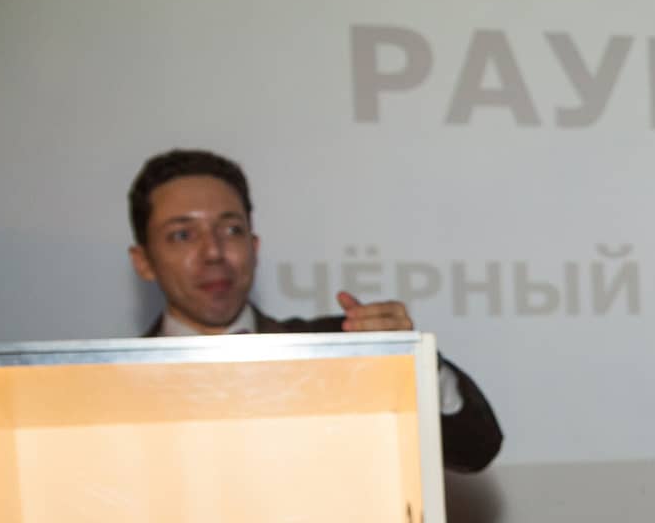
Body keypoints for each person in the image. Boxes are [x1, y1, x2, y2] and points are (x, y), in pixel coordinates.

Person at [126, 149, 503, 473]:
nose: (213, 252)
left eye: (231, 230)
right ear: (143, 261)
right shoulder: (117, 383)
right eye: (183, 235)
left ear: (255, 247)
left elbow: (475, 449)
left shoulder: (342, 351)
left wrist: (414, 363)